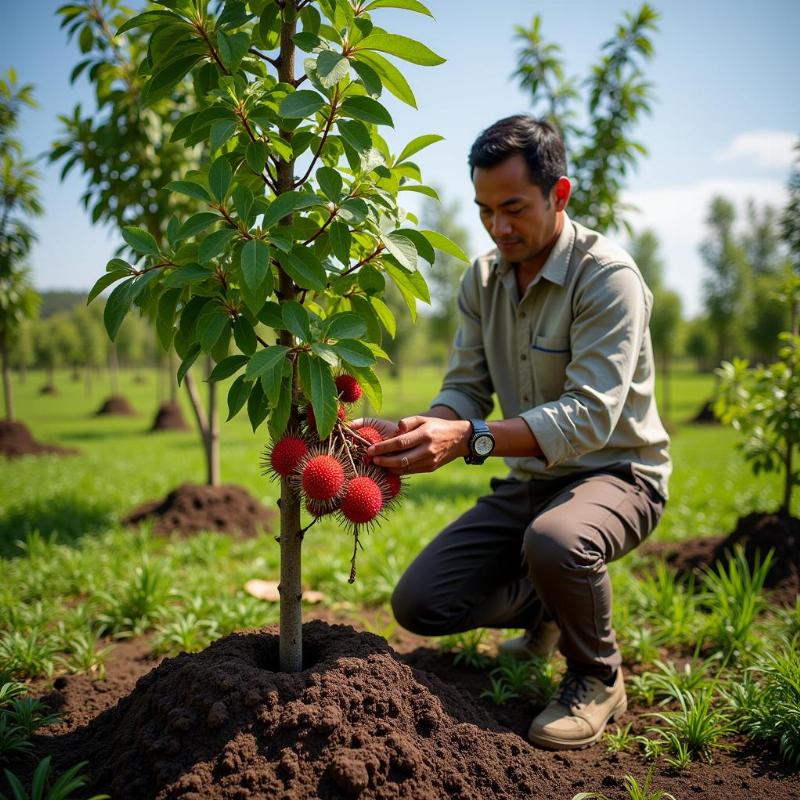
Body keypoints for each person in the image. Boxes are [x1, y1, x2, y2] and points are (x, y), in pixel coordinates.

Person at [358, 115, 671, 750]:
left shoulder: (607, 277)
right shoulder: (482, 279)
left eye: (513, 208)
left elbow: (590, 415)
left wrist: (469, 439)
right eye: (484, 210)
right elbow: (466, 388)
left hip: (618, 476)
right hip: (532, 481)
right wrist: (424, 426)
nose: (498, 227)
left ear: (560, 194)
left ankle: (596, 677)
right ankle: (550, 606)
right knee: (420, 604)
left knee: (557, 541)